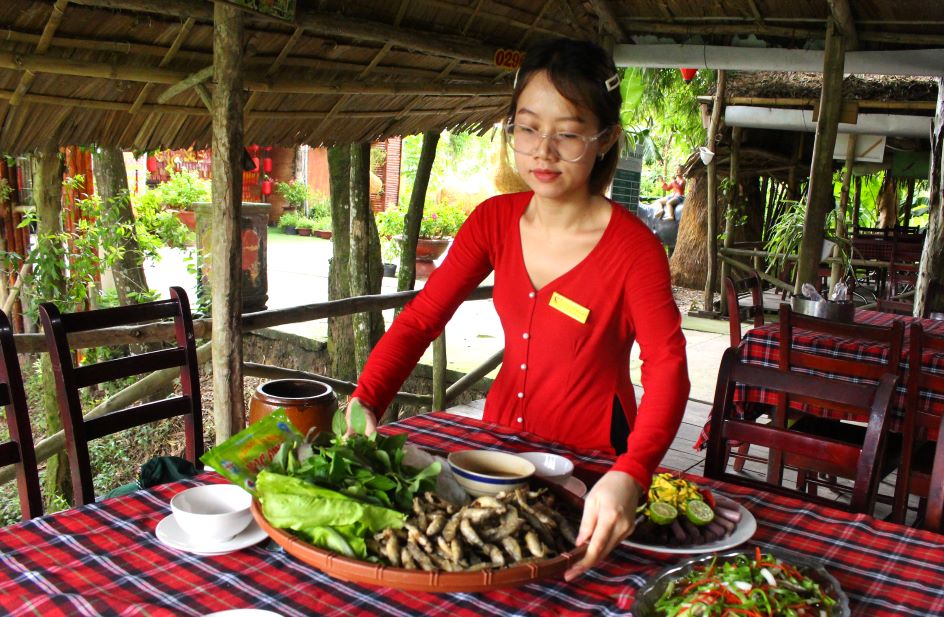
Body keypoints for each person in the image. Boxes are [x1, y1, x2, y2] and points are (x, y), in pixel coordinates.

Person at [346, 37, 689, 581]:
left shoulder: (634, 248)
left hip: (594, 460)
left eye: (568, 133)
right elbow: (421, 317)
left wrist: (635, 470)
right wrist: (367, 398)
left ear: (606, 140)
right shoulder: (493, 221)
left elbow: (667, 366)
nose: (543, 151)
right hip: (498, 450)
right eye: (527, 128)